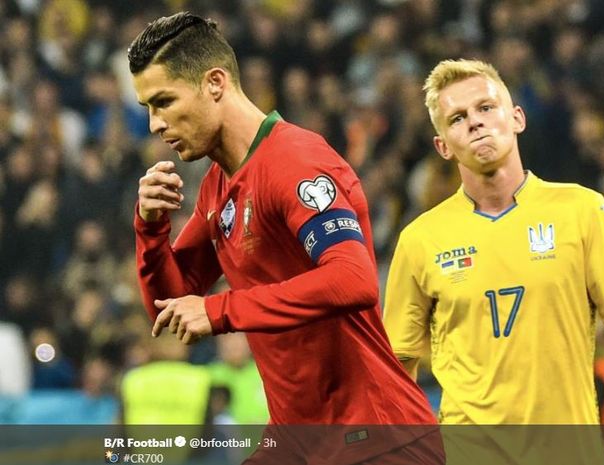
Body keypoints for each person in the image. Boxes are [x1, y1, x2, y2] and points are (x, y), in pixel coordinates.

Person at [127, 12, 443, 465]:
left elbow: (354, 279)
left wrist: (221, 309)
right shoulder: (219, 187)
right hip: (297, 439)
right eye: (148, 109)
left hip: (374, 436)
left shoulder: (296, 161)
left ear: (214, 83)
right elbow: (171, 308)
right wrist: (151, 228)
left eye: (163, 101)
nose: (155, 124)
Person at [382, 59, 604, 461]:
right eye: (458, 118)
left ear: (516, 118)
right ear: (443, 145)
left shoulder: (581, 209)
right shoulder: (420, 240)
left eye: (487, 107)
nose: (476, 122)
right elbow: (397, 365)